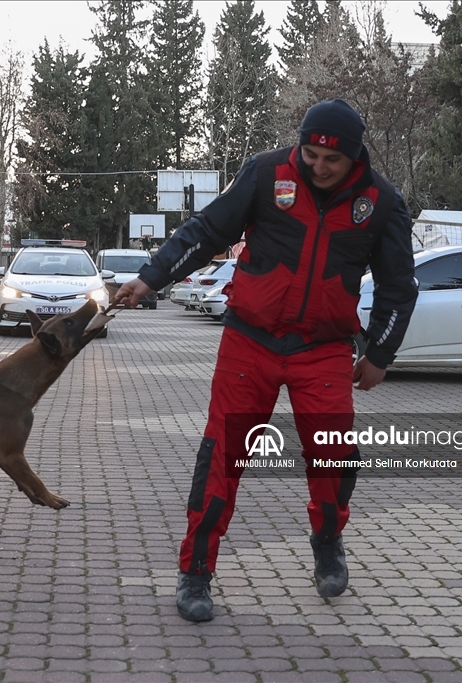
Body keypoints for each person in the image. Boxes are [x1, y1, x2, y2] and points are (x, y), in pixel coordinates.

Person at [115, 99, 418, 622]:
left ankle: (327, 540)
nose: (319, 168)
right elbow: (206, 232)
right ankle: (196, 573)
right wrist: (151, 276)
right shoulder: (263, 174)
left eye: (332, 161)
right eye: (311, 154)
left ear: (354, 159)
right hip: (249, 342)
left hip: (322, 350)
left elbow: (398, 287)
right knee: (222, 456)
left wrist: (381, 355)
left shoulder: (382, 203)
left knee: (334, 457)